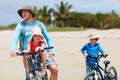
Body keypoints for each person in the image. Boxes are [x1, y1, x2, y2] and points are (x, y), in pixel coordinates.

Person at [10, 5, 58, 80]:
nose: (23, 14)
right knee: (30, 76)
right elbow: (14, 38)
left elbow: (48, 39)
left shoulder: (39, 24)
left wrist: (52, 52)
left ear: (31, 13)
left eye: (25, 11)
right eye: (22, 12)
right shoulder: (20, 26)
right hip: (29, 54)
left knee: (54, 69)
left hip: (42, 52)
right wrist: (12, 50)